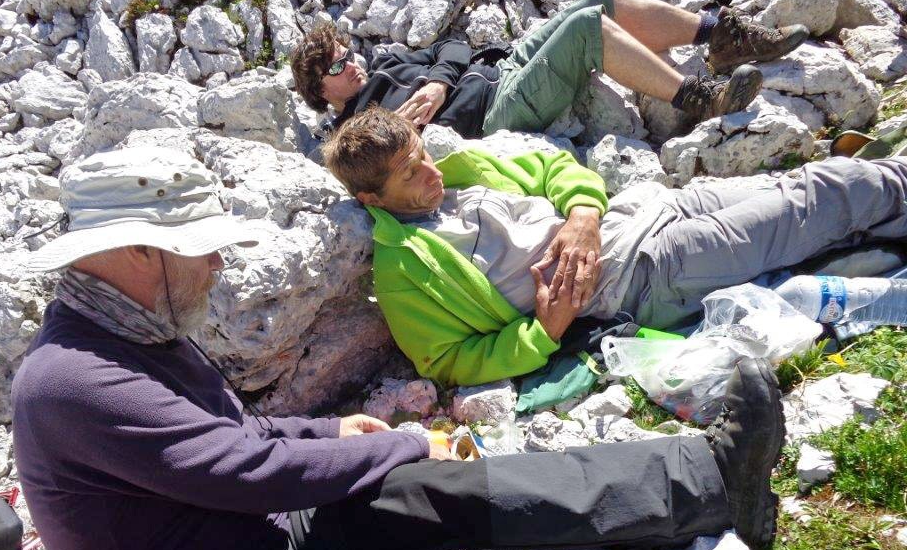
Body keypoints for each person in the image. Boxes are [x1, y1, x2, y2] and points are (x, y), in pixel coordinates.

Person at [12, 146, 893, 550]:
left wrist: (336, 435)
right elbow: (238, 469)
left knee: (428, 487)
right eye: (198, 246)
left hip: (266, 545)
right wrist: (394, 440)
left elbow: (241, 438)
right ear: (138, 253)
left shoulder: (136, 331)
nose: (214, 263)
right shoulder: (70, 382)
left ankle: (704, 482)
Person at [321, 107, 907, 387]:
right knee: (817, 199)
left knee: (797, 187)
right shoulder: (403, 271)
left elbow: (552, 167)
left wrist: (582, 214)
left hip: (643, 212)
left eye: (422, 154)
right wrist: (543, 333)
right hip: (643, 272)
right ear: (373, 198)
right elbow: (446, 361)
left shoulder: (460, 173)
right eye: (410, 173)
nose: (431, 172)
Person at [290, 0, 810, 140]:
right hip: (496, 111)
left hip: (501, 67)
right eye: (336, 69)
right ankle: (699, 100)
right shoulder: (353, 130)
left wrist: (438, 83)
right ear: (320, 93)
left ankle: (722, 37)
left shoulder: (389, 63)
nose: (350, 66)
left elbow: (452, 47)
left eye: (347, 55)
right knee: (586, 30)